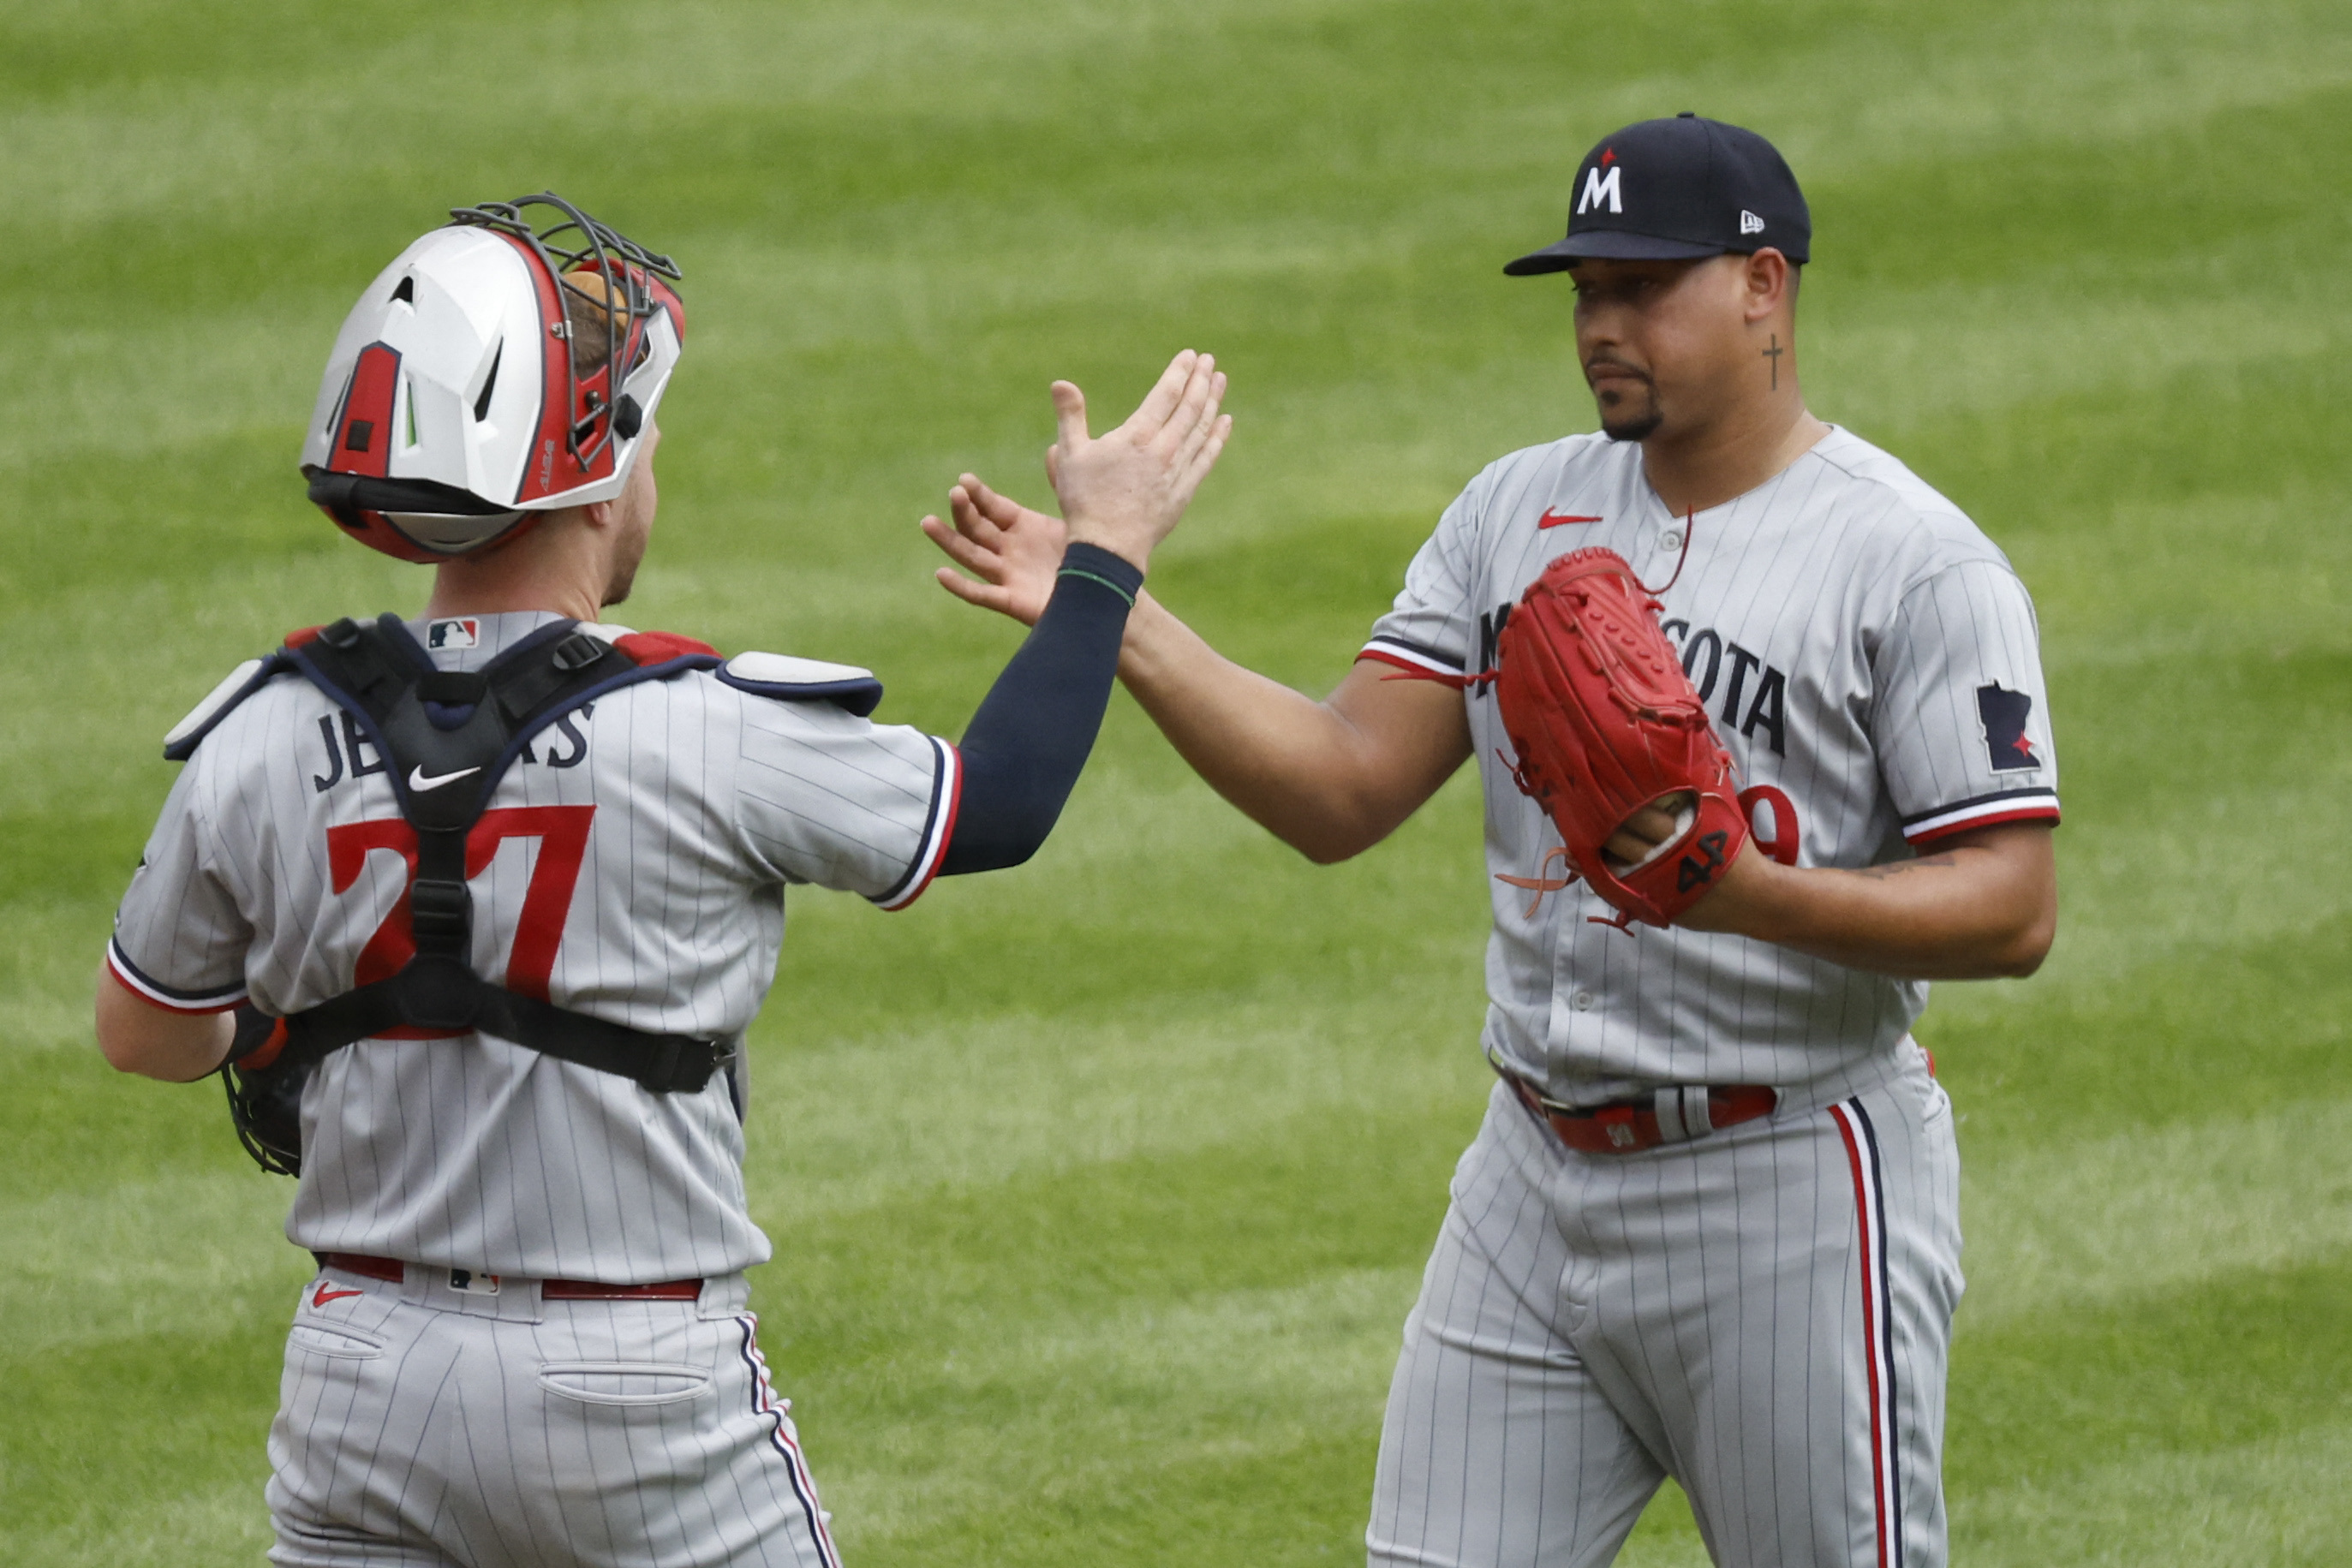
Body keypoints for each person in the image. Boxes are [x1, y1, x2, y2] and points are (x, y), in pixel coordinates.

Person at [922, 116, 2060, 1567]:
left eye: (1643, 287)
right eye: (1585, 290)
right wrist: (1109, 602)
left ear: (1764, 288)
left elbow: (2010, 906)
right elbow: (1340, 787)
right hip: (1530, 1178)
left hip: (1784, 1188)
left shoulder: (1914, 563)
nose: (1601, 325)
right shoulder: (1512, 510)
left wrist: (1752, 896)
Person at [93, 192, 1229, 1568]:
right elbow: (994, 808)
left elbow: (145, 1031)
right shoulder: (702, 725)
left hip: (361, 1383)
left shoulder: (263, 730)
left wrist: (303, 1034)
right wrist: (1104, 557)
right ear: (595, 466)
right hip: (633, 1390)